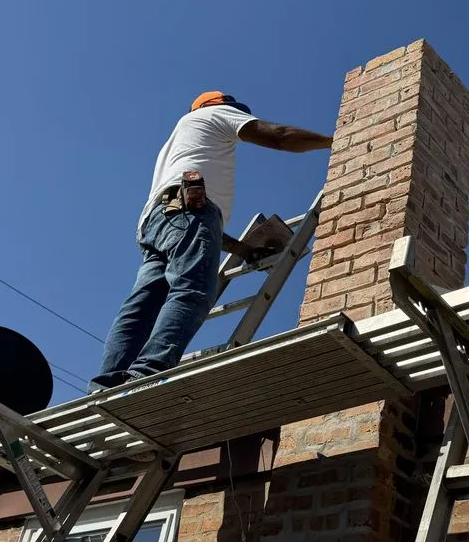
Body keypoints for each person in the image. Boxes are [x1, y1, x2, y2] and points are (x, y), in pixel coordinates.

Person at [88, 92, 332, 392]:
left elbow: (188, 224)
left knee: (142, 305)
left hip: (159, 220)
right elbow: (279, 136)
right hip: (188, 209)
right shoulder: (212, 114)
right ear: (214, 105)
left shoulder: (179, 141)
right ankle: (147, 374)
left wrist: (242, 250)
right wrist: (333, 141)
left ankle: (105, 384)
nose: (238, 114)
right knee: (195, 289)